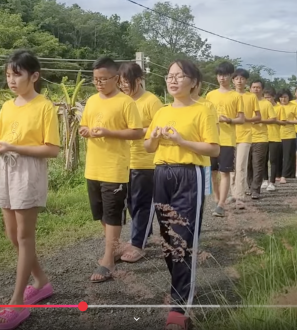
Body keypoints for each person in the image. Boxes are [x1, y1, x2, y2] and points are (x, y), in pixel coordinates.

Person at [0, 50, 61, 330]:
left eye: (16, 74)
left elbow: (51, 149)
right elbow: (1, 138)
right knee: (12, 235)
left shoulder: (45, 106)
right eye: (8, 74)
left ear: (34, 76)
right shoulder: (7, 106)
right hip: (6, 169)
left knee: (25, 236)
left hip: (29, 172)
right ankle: (41, 281)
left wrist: (13, 147)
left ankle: (17, 302)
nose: (11, 80)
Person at [144, 59, 219, 330]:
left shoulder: (203, 111)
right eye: (170, 76)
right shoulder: (162, 111)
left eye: (180, 76)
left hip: (190, 174)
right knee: (166, 235)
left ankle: (179, 307)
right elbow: (148, 147)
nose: (173, 80)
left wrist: (181, 141)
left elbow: (213, 149)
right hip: (162, 174)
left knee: (183, 237)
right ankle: (182, 285)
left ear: (194, 83)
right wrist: (153, 138)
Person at [79, 57, 143, 283]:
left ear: (116, 78)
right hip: (93, 166)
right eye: (96, 79)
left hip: (115, 167)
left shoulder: (126, 102)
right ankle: (115, 246)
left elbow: (137, 132)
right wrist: (85, 130)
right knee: (100, 213)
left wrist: (108, 132)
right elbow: (85, 124)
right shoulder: (92, 101)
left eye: (104, 79)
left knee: (112, 212)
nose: (99, 83)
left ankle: (108, 260)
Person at [118, 62, 163, 263]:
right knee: (130, 202)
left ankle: (138, 244)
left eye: (127, 82)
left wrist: (137, 131)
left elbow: (160, 128)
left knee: (141, 203)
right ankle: (144, 233)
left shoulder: (151, 101)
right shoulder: (122, 101)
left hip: (146, 161)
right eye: (120, 83)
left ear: (139, 80)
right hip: (124, 160)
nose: (123, 86)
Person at [206, 62, 245, 217]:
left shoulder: (236, 96)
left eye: (225, 75)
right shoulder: (210, 95)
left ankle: (222, 204)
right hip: (211, 138)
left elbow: (241, 119)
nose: (222, 78)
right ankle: (216, 199)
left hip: (227, 139)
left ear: (231, 76)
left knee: (224, 172)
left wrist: (229, 120)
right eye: (219, 75)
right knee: (212, 172)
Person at [230, 69, 260, 207]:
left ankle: (239, 196)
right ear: (233, 80)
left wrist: (244, 119)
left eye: (242, 78)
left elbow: (258, 117)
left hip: (245, 135)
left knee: (241, 165)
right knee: (231, 167)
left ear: (246, 81)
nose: (239, 81)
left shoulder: (251, 97)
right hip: (228, 135)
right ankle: (232, 193)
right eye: (237, 78)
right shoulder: (229, 96)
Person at [247, 80, 276, 199]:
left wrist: (260, 120)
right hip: (245, 137)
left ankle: (256, 190)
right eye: (253, 87)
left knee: (258, 165)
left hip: (261, 138)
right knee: (247, 165)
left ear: (262, 89)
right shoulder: (245, 102)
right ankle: (249, 187)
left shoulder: (266, 104)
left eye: (258, 87)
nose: (255, 89)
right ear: (250, 89)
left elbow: (273, 119)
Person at [262, 88, 286, 191]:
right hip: (262, 136)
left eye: (269, 97)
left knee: (273, 160)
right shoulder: (262, 107)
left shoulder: (279, 108)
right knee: (263, 160)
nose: (267, 99)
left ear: (273, 97)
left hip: (275, 137)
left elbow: (283, 122)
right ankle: (265, 180)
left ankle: (272, 182)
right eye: (265, 97)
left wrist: (274, 120)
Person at [277, 89, 297, 183]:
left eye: (285, 97)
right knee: (277, 156)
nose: (283, 99)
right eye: (281, 97)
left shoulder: (293, 107)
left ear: (289, 97)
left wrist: (288, 122)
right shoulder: (276, 106)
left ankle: (284, 175)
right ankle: (277, 174)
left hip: (289, 134)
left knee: (287, 156)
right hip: (276, 134)